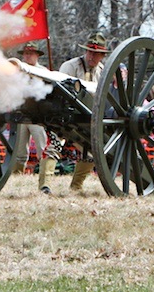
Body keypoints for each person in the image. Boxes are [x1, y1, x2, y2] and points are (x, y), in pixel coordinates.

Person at [58, 32, 108, 191]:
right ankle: (44, 186)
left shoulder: (102, 71)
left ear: (102, 56)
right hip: (65, 114)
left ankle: (76, 186)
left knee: (93, 150)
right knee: (53, 145)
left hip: (87, 118)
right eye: (90, 52)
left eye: (97, 54)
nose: (92, 56)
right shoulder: (70, 67)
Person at [9, 42, 57, 193]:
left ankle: (44, 183)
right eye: (26, 53)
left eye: (31, 53)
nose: (28, 55)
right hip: (21, 114)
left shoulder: (44, 72)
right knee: (19, 152)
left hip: (38, 116)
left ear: (37, 55)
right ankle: (15, 182)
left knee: (43, 148)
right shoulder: (17, 71)